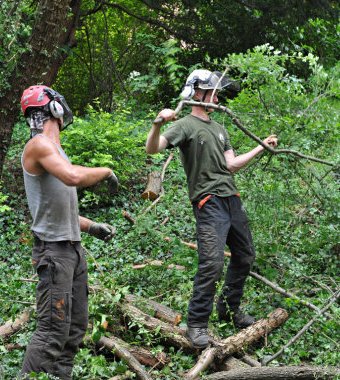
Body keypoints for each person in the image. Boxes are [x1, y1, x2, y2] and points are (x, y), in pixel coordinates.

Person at [145, 69, 278, 349]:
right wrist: (157, 123)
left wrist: (260, 148)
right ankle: (196, 324)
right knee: (212, 263)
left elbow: (231, 165)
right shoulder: (184, 125)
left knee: (245, 255)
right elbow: (153, 148)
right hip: (208, 202)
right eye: (212, 91)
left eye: (217, 92)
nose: (217, 96)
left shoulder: (219, 128)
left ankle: (229, 310)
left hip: (232, 198)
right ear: (197, 93)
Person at [19, 85, 118, 379]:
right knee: (52, 332)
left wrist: (89, 226)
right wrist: (106, 171)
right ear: (55, 108)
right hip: (54, 253)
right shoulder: (38, 145)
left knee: (74, 329)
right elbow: (73, 177)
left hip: (71, 250)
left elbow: (55, 205)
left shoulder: (55, 151)